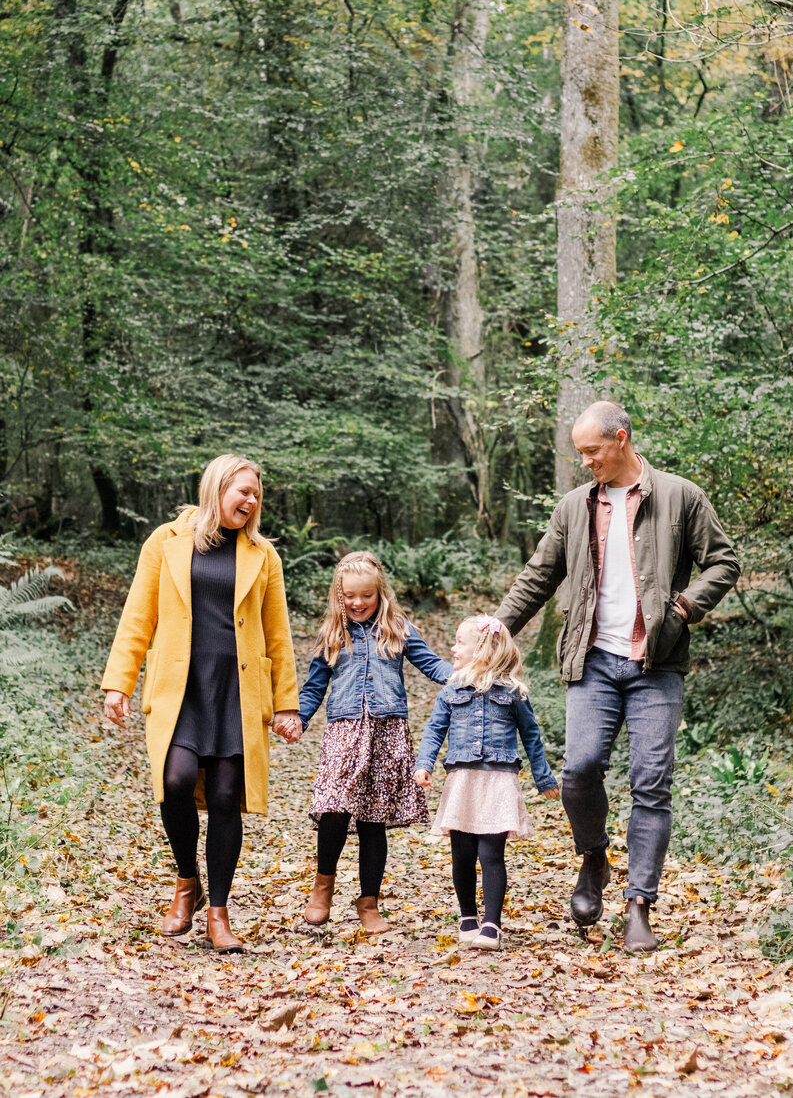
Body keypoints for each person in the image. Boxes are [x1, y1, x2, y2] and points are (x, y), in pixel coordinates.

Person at [495, 401, 740, 951]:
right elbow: (539, 575)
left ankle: (638, 905)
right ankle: (593, 859)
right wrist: (497, 626)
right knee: (579, 771)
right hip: (594, 660)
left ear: (621, 439)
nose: (585, 462)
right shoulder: (574, 507)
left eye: (592, 451)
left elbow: (723, 562)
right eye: (580, 453)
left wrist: (682, 609)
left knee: (652, 783)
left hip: (657, 663)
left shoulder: (680, 496)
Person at [102, 454, 300, 952]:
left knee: (227, 797)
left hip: (237, 689)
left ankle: (218, 912)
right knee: (175, 780)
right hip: (180, 689)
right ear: (216, 489)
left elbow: (278, 635)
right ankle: (186, 882)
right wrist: (118, 683)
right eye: (243, 492)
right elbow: (137, 616)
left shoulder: (262, 555)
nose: (252, 502)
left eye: (257, 495)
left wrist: (287, 703)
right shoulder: (166, 542)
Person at [289, 550, 451, 934]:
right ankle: (322, 887)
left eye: (367, 595)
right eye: (350, 596)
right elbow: (314, 687)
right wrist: (299, 718)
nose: (358, 603)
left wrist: (467, 674)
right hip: (344, 733)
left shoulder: (398, 628)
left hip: (387, 732)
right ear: (338, 596)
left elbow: (432, 665)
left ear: (381, 594)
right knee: (334, 808)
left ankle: (369, 902)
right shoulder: (332, 634)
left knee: (373, 820)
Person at [413, 615, 559, 951]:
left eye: (459, 642)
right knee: (462, 853)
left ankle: (492, 924)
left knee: (491, 853)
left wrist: (543, 778)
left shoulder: (512, 692)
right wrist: (425, 764)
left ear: (482, 650)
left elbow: (531, 735)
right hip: (462, 780)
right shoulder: (451, 691)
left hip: (498, 781)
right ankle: (467, 917)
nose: (452, 648)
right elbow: (435, 729)